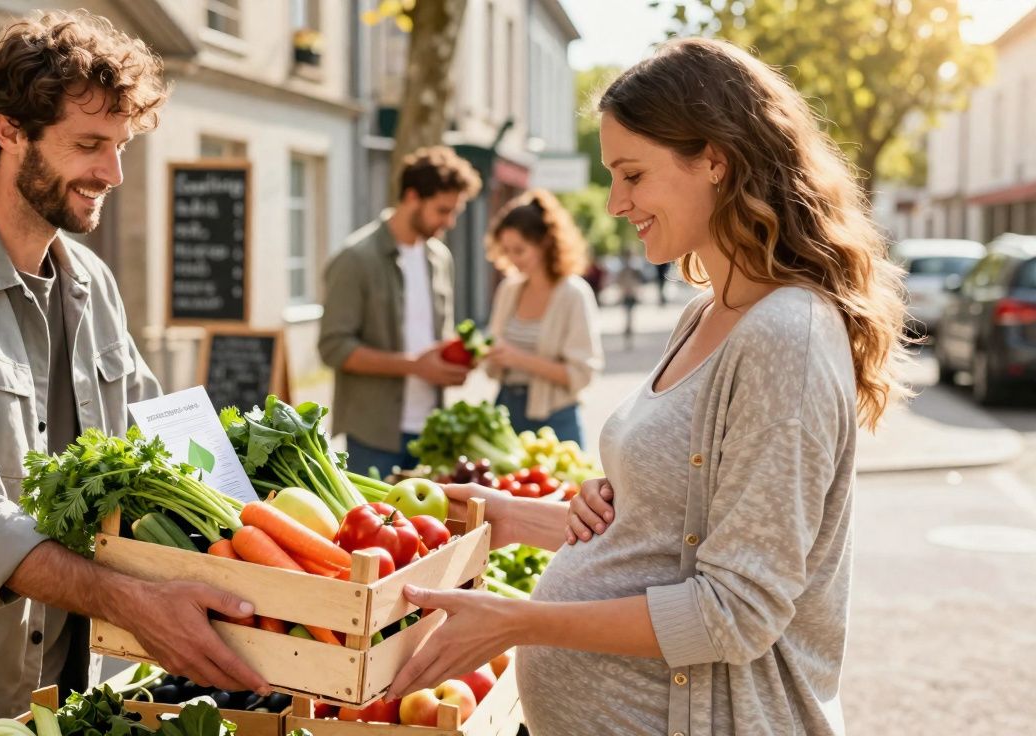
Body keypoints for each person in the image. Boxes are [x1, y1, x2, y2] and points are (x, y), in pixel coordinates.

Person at [387, 37, 909, 736]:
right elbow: (670, 537)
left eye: (632, 174)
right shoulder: (707, 312)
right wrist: (516, 517)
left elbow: (735, 613)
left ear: (715, 160)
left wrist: (515, 622)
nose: (616, 200)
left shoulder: (788, 335)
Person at [0, 12, 266, 733]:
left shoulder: (90, 280)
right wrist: (134, 602)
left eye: (120, 146)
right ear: (9, 133)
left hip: (63, 688)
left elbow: (155, 443)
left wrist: (268, 533)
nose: (113, 173)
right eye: (89, 145)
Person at [318, 147, 482, 475]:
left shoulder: (440, 258)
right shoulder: (355, 259)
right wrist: (415, 367)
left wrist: (457, 358)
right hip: (373, 434)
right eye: (442, 210)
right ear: (411, 197)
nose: (449, 222)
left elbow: (438, 334)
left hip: (433, 431)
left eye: (455, 213)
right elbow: (333, 348)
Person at [482, 189, 603, 446]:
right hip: (505, 412)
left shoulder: (573, 293)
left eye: (520, 250)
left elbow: (581, 374)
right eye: (506, 250)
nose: (513, 259)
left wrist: (519, 359)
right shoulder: (509, 290)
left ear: (546, 242)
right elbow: (493, 360)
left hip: (556, 419)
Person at [615, 245, 644, 348]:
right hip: (627, 294)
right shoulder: (624, 269)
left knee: (629, 316)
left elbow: (637, 283)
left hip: (630, 294)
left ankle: (629, 332)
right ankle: (628, 332)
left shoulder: (634, 269)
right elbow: (620, 283)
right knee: (628, 316)